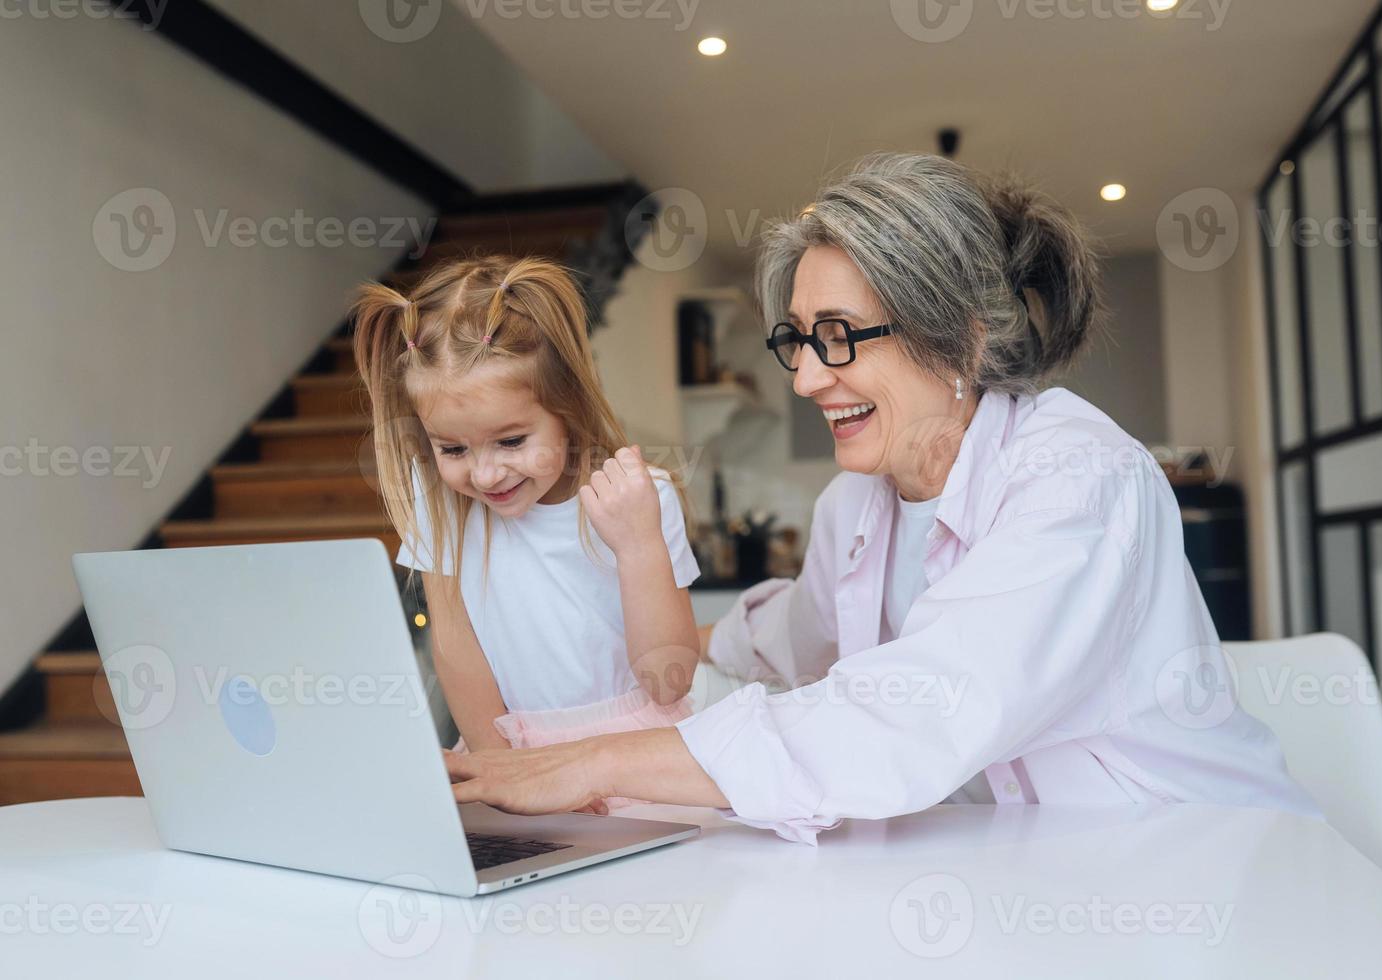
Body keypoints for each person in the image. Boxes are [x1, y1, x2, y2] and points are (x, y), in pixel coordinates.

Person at [443, 153, 1318, 841]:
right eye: (798, 340)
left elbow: (914, 710)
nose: (807, 379)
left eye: (841, 337)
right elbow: (796, 634)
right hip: (1020, 865)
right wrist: (645, 625)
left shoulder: (1078, 479)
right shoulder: (855, 507)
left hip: (1195, 862)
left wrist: (594, 764)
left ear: (961, 343)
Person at [352, 256, 701, 809]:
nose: (486, 474)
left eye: (512, 441)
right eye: (453, 449)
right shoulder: (441, 502)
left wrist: (639, 545)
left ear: (567, 409)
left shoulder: (639, 497)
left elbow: (668, 682)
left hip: (632, 756)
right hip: (506, 752)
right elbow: (455, 647)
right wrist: (507, 769)